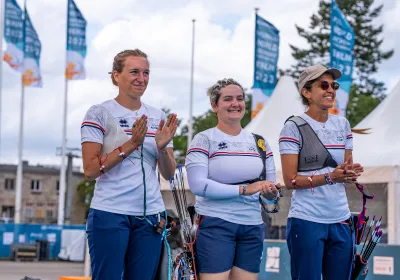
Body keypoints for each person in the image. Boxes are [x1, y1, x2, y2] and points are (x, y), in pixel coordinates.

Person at [81, 49, 178, 280]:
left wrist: (163, 148)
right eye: (134, 72)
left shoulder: (157, 116)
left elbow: (169, 172)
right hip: (110, 212)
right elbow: (90, 171)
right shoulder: (99, 113)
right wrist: (132, 144)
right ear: (116, 75)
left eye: (146, 73)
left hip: (150, 216)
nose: (141, 78)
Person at [185, 78, 281, 280]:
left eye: (239, 98)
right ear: (214, 106)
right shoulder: (204, 139)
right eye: (227, 99)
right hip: (216, 223)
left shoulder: (260, 142)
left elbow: (269, 195)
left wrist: (271, 194)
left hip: (252, 226)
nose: (235, 104)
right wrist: (245, 190)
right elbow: (198, 185)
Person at [279, 64, 364, 280]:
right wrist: (329, 177)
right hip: (307, 219)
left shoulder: (343, 124)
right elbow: (290, 181)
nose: (331, 90)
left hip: (340, 219)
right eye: (323, 85)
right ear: (306, 92)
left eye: (333, 85)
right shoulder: (293, 127)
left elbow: (343, 172)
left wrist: (349, 173)